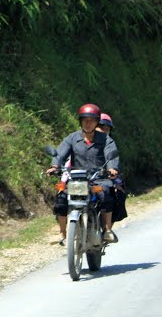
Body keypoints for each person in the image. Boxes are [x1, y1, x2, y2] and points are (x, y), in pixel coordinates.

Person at [47, 103, 120, 243]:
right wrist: (55, 165)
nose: (88, 123)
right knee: (61, 198)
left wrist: (112, 168)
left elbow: (111, 154)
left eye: (91, 120)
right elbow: (61, 152)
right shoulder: (72, 138)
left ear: (97, 121)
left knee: (105, 194)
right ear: (80, 121)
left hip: (98, 179)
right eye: (85, 119)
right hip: (77, 179)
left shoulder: (105, 139)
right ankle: (62, 233)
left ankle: (107, 230)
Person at [97, 113, 128, 225]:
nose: (104, 131)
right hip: (85, 177)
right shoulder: (80, 141)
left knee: (117, 193)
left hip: (106, 177)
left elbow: (113, 161)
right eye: (101, 127)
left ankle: (108, 227)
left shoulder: (109, 144)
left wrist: (112, 170)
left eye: (107, 129)